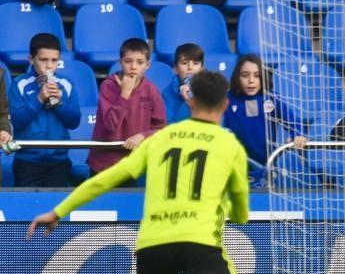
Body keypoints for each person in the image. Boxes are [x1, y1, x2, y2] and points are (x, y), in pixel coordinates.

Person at [27, 71, 273, 274]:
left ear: (190, 99)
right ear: (226, 104)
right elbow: (242, 213)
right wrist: (229, 204)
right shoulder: (229, 145)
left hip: (152, 244)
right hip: (199, 241)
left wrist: (58, 211)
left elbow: (106, 179)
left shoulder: (159, 139)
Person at [8, 33, 81, 186]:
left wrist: (59, 103)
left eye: (54, 60)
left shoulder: (66, 84)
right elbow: (17, 122)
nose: (49, 66)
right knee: (27, 208)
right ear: (31, 59)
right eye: (43, 59)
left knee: (55, 209)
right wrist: (39, 99)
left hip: (58, 161)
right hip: (27, 161)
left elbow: (74, 121)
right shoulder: (19, 84)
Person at [90, 38, 166, 175]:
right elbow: (110, 125)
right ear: (120, 63)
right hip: (104, 164)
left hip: (133, 164)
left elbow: (161, 128)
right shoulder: (108, 86)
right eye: (128, 61)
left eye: (140, 62)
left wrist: (143, 135)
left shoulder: (152, 90)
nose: (133, 67)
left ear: (147, 65)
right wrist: (125, 93)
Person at [223, 54, 307, 172]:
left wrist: (298, 135)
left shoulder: (271, 99)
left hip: (265, 166)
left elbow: (293, 122)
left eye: (257, 76)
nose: (251, 81)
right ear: (237, 78)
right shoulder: (227, 99)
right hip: (234, 165)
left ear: (263, 77)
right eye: (245, 75)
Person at [163, 43, 204, 125]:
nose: (190, 68)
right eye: (184, 63)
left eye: (196, 63)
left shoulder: (212, 90)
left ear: (201, 68)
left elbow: (217, 125)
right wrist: (187, 102)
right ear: (175, 68)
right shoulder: (167, 94)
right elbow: (170, 128)